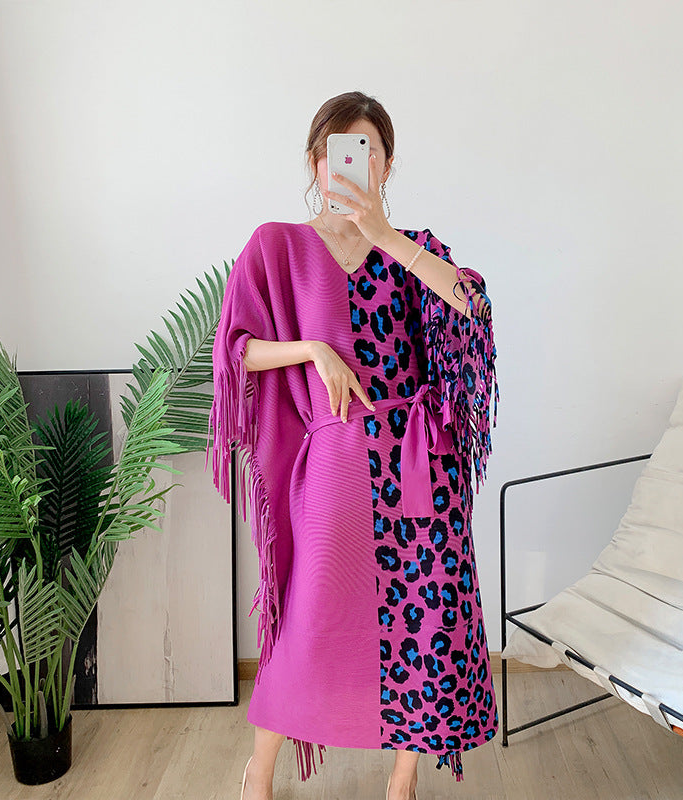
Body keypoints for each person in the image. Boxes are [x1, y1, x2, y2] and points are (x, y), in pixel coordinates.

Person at [207, 91, 499, 800]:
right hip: (335, 464)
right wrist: (313, 350)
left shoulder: (415, 250)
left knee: (428, 621)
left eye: (368, 151)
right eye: (338, 151)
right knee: (308, 623)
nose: (351, 164)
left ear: (387, 166)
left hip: (420, 464)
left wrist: (386, 237)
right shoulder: (278, 245)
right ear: (316, 162)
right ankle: (259, 771)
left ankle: (403, 781)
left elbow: (471, 307)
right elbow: (235, 352)